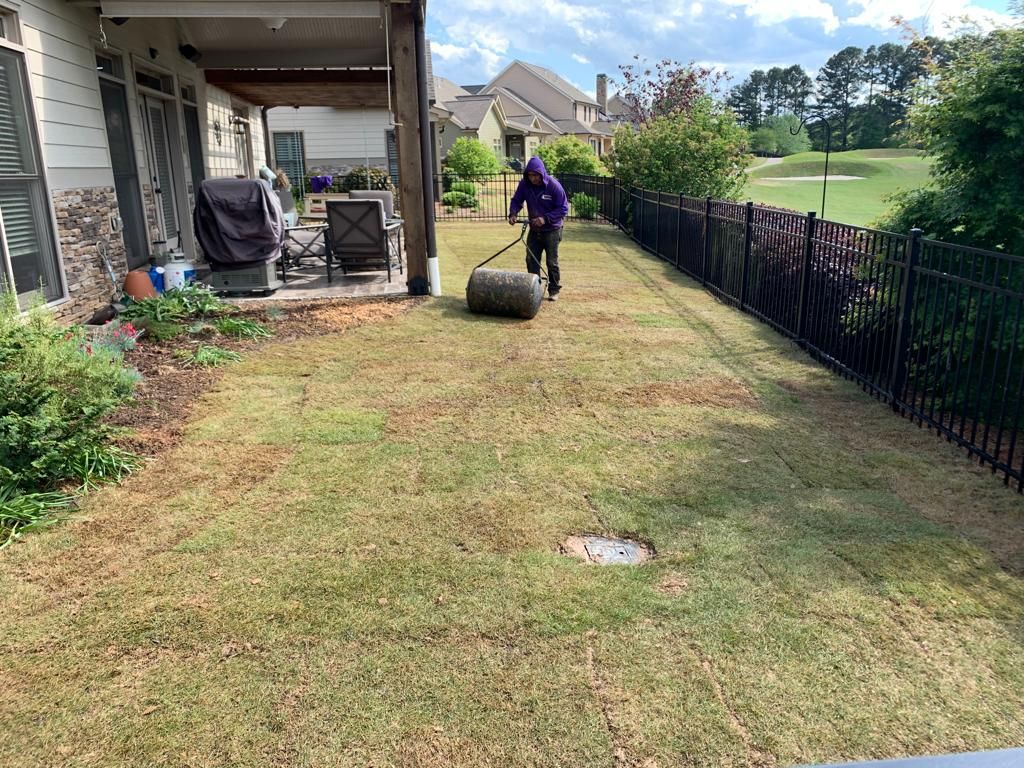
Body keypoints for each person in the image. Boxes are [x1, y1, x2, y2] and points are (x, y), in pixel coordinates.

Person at [507, 156, 569, 301]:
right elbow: (517, 200)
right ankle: (534, 289)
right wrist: (513, 213)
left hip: (552, 229)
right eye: (530, 175)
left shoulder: (553, 186)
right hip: (534, 230)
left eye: (535, 175)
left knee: (551, 262)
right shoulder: (525, 184)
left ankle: (554, 290)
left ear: (541, 174)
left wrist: (545, 218)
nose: (532, 178)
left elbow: (563, 208)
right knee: (531, 259)